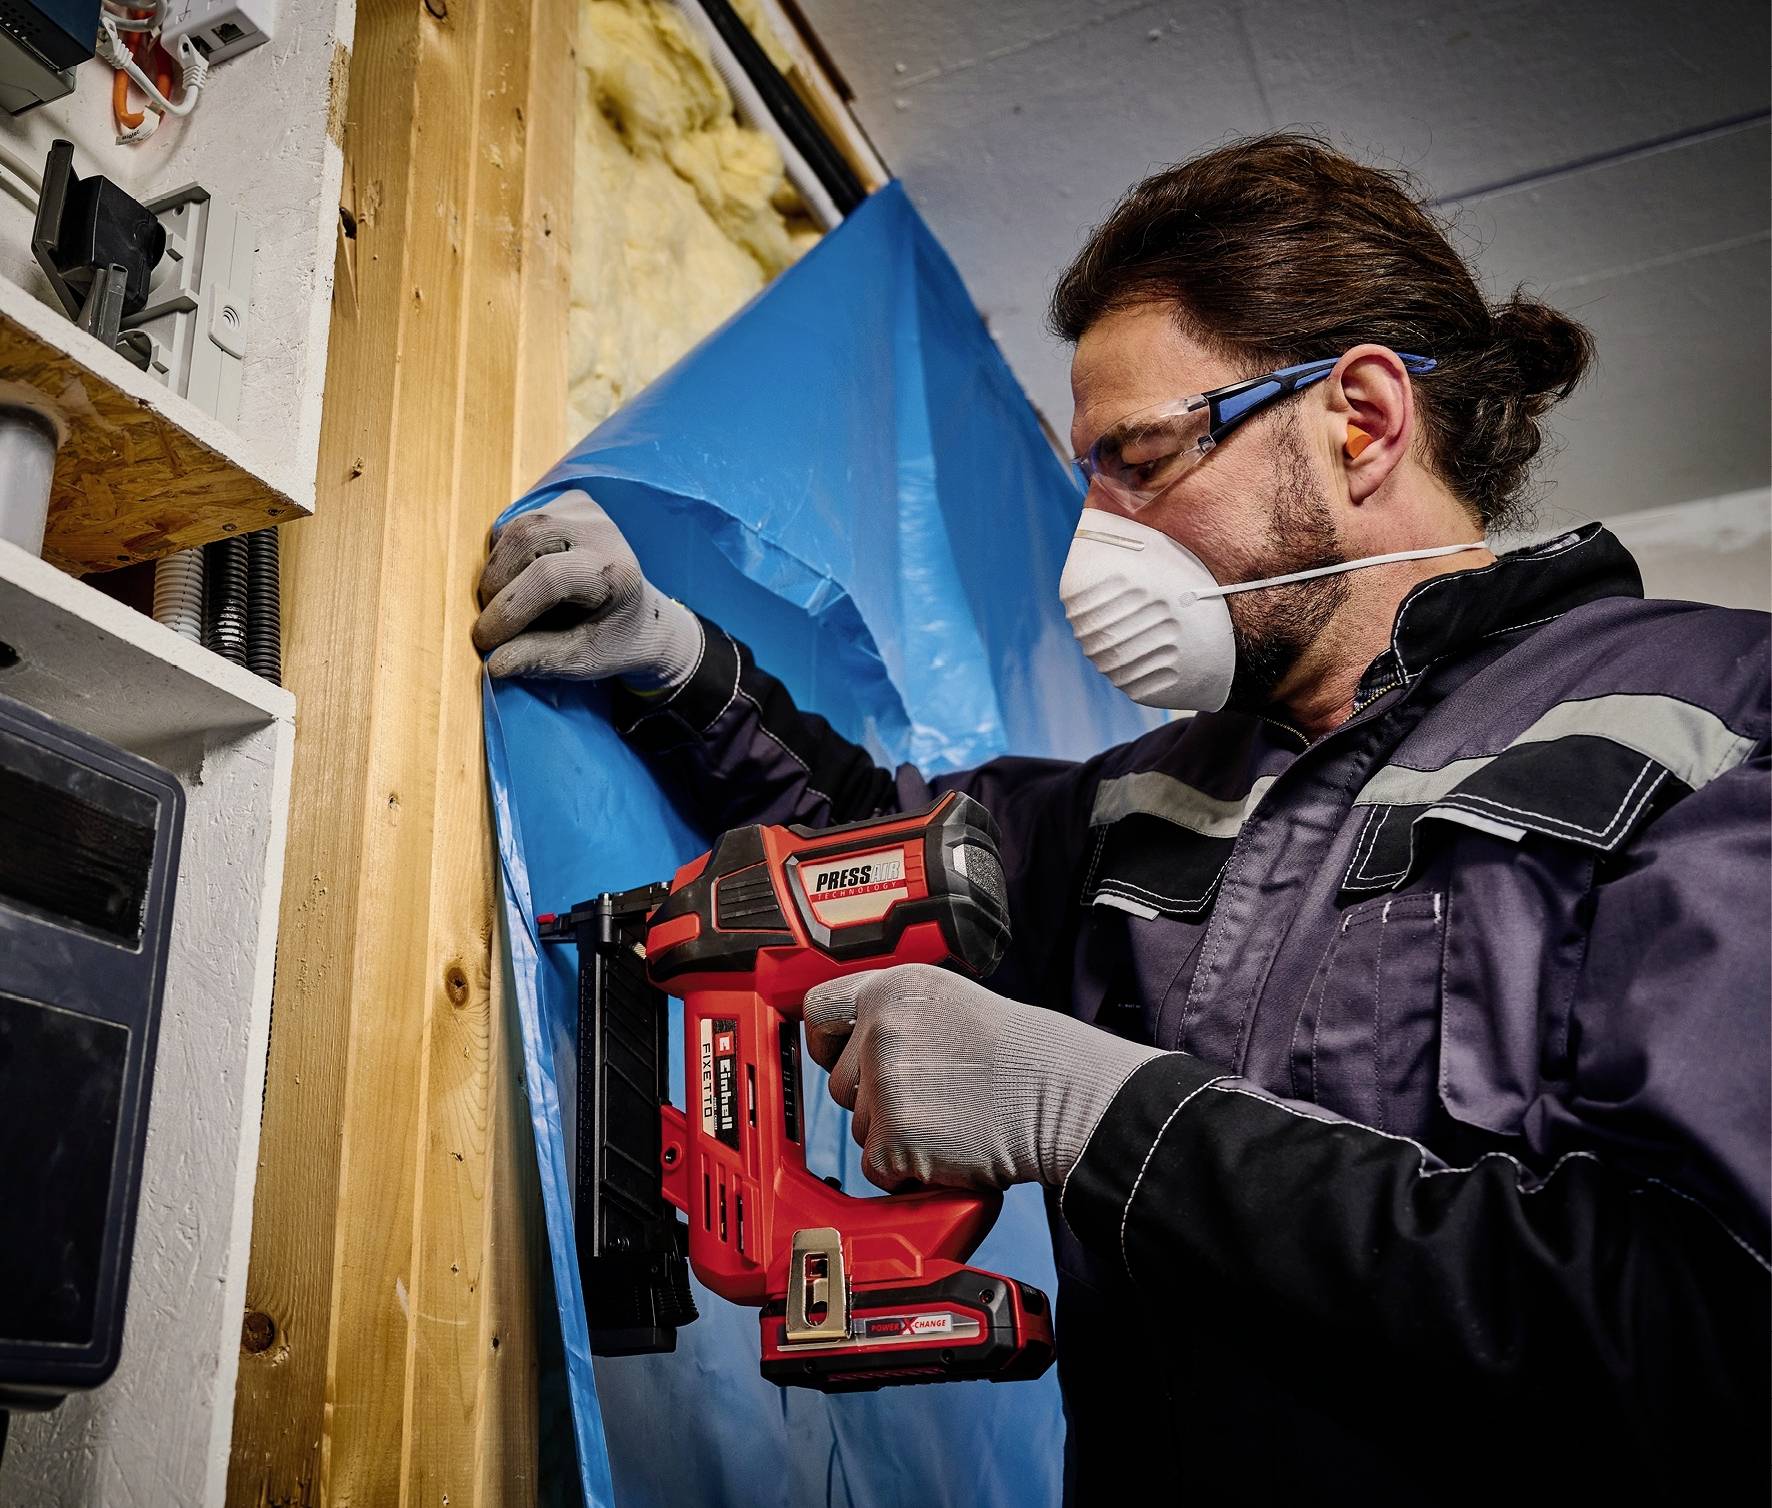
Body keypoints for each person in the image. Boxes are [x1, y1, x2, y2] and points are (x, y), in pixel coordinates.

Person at [474, 135, 1769, 1499]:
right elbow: (874, 856)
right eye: (1090, 471)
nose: (1096, 536)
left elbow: (1708, 1333)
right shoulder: (1159, 790)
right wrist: (678, 663)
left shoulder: (1716, 717)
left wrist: (1099, 1112)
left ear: (1362, 420)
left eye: (1141, 457)